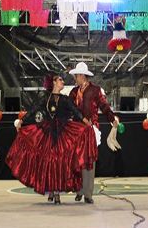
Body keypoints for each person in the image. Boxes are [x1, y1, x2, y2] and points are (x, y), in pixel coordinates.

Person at [7, 73, 94, 204]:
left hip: (62, 132)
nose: (62, 82)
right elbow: (33, 109)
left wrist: (85, 121)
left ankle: (56, 191)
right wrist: (21, 120)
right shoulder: (45, 98)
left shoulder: (65, 99)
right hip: (47, 132)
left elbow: (75, 111)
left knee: (58, 162)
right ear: (53, 82)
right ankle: (52, 191)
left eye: (62, 80)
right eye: (60, 80)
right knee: (49, 161)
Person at [68, 62, 118, 204]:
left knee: (89, 161)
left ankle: (88, 193)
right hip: (77, 130)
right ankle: (79, 190)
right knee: (77, 161)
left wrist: (112, 118)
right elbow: (70, 109)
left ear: (82, 76)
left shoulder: (95, 90)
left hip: (91, 130)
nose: (75, 78)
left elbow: (104, 106)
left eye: (76, 76)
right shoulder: (73, 92)